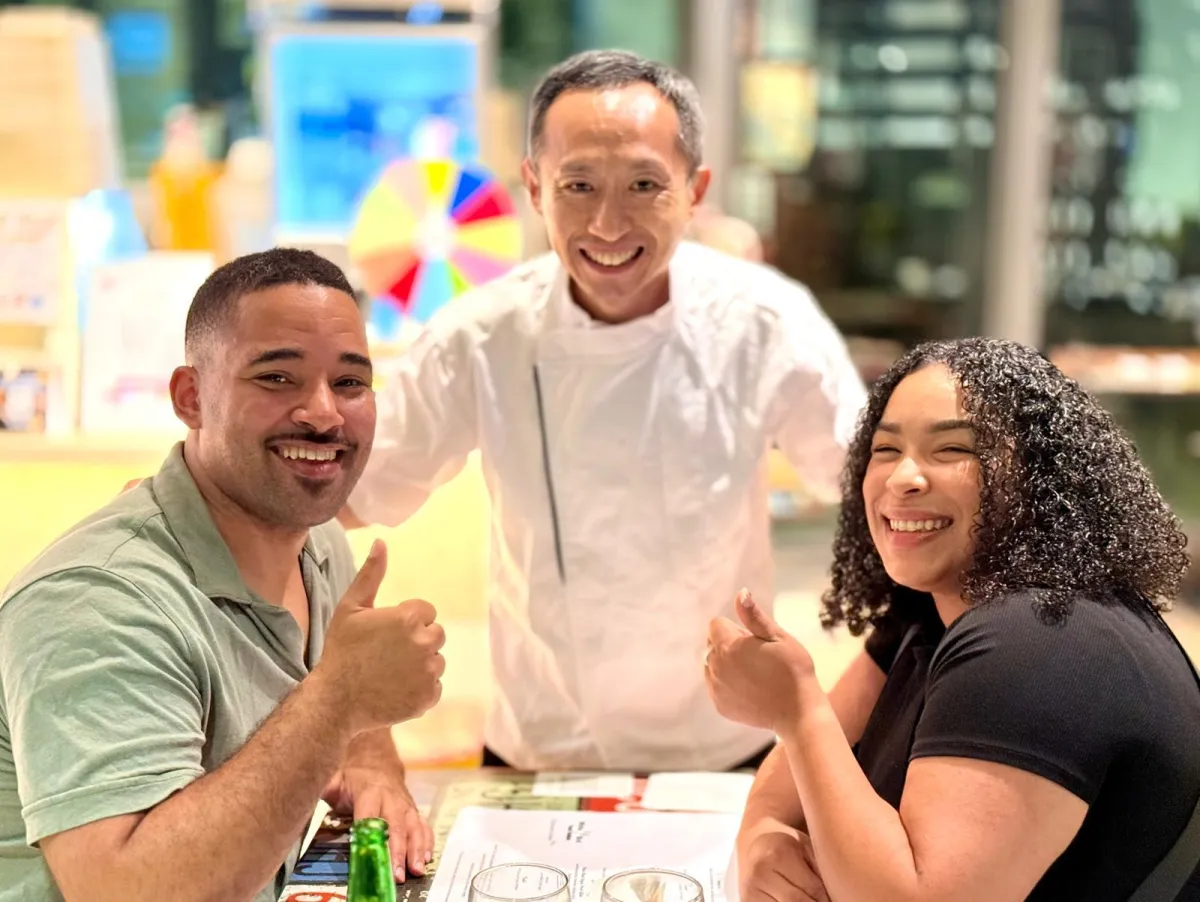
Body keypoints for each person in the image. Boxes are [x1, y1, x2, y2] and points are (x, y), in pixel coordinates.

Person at [339, 49, 867, 772]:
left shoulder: (764, 321)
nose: (609, 225)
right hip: (541, 746)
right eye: (578, 185)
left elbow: (870, 481)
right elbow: (352, 492)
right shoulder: (479, 335)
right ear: (534, 188)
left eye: (644, 185)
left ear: (694, 188)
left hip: (724, 745)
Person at [0, 249, 446, 902]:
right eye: (277, 379)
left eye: (350, 383)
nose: (323, 414)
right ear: (192, 397)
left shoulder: (319, 543)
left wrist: (372, 763)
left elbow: (353, 708)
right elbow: (121, 890)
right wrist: (340, 697)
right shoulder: (96, 600)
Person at [705, 337, 1200, 902]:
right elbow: (785, 791)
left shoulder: (1039, 638)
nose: (903, 478)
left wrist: (796, 710)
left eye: (951, 450)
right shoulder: (931, 603)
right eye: (886, 450)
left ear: (1037, 476)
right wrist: (764, 835)